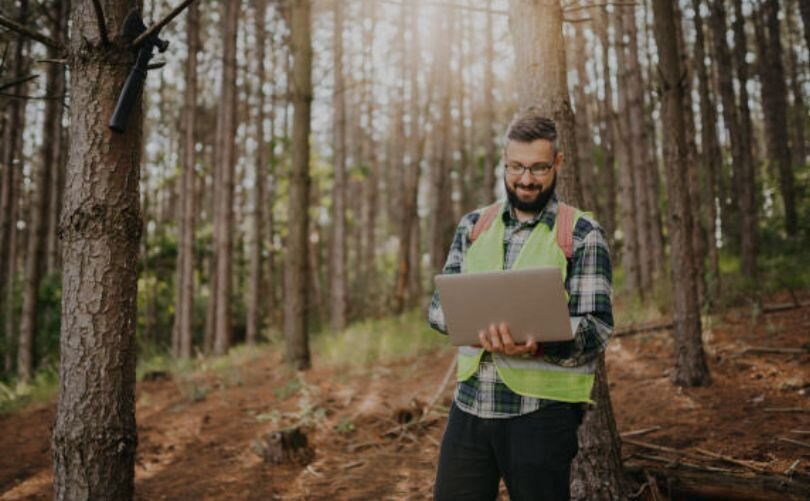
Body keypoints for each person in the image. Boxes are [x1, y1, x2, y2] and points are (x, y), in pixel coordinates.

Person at [428, 108, 614, 501]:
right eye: (515, 167)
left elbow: (597, 327)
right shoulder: (473, 226)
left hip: (541, 415)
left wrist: (540, 343)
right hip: (470, 406)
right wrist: (467, 322)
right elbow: (437, 308)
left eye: (538, 168)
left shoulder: (581, 234)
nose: (525, 179)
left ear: (558, 163)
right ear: (504, 162)